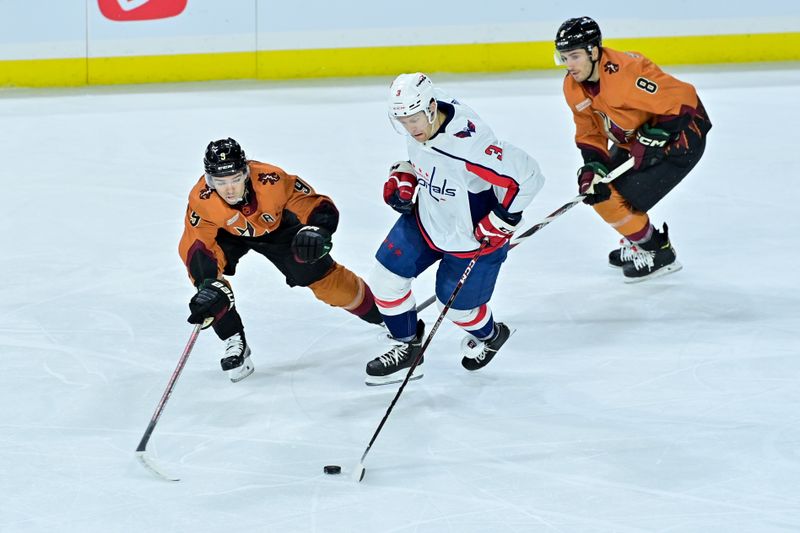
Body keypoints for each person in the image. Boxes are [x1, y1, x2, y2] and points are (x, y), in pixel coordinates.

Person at [364, 73, 545, 386]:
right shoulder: (423, 109)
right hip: (428, 217)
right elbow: (423, 157)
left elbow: (529, 176)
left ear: (432, 108)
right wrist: (403, 173)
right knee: (385, 278)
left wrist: (501, 221)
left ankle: (492, 335)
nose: (411, 128)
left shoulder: (471, 145)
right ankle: (407, 348)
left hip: (472, 238)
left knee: (458, 311)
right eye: (403, 121)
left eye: (415, 119)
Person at [179, 138, 383, 382]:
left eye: (235, 179)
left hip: (277, 229)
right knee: (211, 288)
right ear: (209, 180)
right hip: (228, 235)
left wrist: (319, 229)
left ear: (246, 171)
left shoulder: (271, 180)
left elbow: (314, 203)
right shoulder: (201, 199)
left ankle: (384, 316)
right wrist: (206, 282)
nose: (229, 189)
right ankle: (234, 340)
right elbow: (197, 245)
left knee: (326, 280)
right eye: (220, 182)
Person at [555, 16, 712, 282]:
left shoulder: (626, 73)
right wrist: (593, 164)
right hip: (639, 139)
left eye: (574, 56)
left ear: (593, 51)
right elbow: (589, 130)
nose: (569, 65)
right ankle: (642, 240)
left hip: (682, 137)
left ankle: (658, 252)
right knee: (598, 189)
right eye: (563, 58)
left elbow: (684, 99)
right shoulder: (573, 87)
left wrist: (658, 133)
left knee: (612, 197)